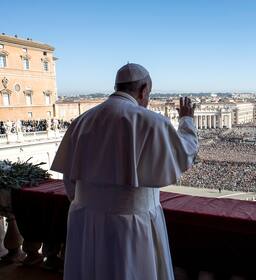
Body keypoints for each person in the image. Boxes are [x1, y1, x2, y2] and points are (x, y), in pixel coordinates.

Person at [50, 63, 198, 280]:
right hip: (132, 224)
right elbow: (186, 152)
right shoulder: (151, 121)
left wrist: (92, 204)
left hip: (86, 220)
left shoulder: (82, 121)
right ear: (144, 89)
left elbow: (70, 179)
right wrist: (187, 119)